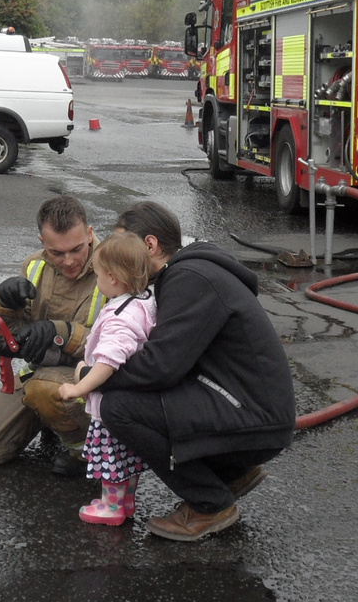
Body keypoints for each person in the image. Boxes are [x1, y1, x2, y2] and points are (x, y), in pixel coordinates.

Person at [96, 201, 295, 542]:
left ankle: (210, 502)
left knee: (118, 407)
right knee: (141, 397)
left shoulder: (190, 279)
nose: (118, 256)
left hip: (256, 417)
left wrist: (98, 375)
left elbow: (161, 367)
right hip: (248, 406)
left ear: (149, 245)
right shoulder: (188, 272)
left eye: (124, 245)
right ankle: (229, 474)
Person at [0, 194, 103, 474]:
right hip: (41, 375)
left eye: (77, 249)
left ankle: (87, 452)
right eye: (57, 253)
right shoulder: (34, 265)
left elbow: (123, 345)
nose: (69, 260)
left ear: (90, 234)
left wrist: (59, 332)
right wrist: (4, 304)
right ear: (42, 243)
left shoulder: (114, 266)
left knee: (44, 389)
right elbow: (12, 339)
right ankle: (53, 418)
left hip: (97, 382)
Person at [57, 233, 157, 526]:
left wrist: (79, 387)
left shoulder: (120, 317)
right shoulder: (144, 300)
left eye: (98, 275)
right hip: (135, 402)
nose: (96, 281)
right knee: (128, 460)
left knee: (110, 460)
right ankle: (126, 502)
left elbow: (109, 361)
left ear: (112, 278)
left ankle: (110, 507)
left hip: (110, 405)